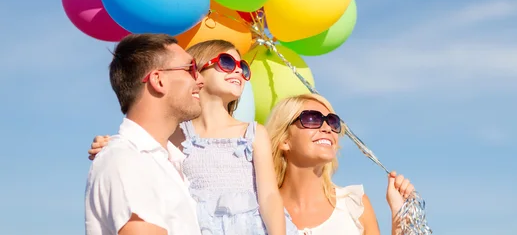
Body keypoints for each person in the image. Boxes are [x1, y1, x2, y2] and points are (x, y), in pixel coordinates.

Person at [88, 39, 290, 235]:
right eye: (227, 63)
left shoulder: (252, 133)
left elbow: (270, 197)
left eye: (243, 67)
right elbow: (142, 147)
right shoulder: (161, 144)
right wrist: (112, 144)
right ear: (199, 71)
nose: (238, 70)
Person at [85, 33, 203, 235]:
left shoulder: (171, 162)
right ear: (158, 80)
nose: (200, 79)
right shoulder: (126, 159)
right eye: (190, 69)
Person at [266, 94, 415, 235]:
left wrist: (399, 214)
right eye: (312, 119)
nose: (327, 128)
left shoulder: (355, 206)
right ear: (284, 140)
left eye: (332, 121)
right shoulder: (257, 210)